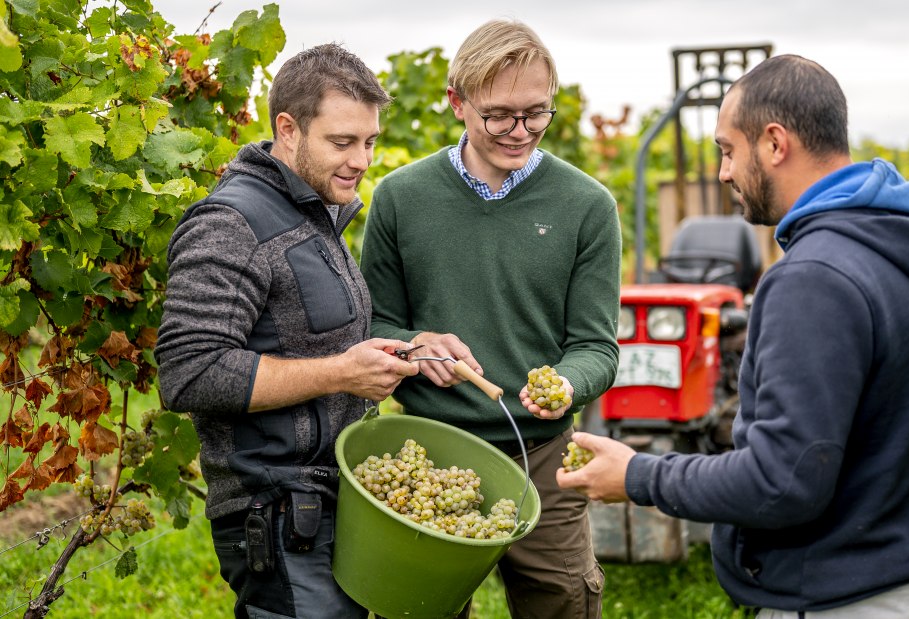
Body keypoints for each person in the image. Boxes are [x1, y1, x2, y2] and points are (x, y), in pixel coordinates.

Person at [558, 54, 909, 618]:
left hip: (843, 599)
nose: (724, 172)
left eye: (729, 150)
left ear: (775, 143)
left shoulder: (813, 278)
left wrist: (638, 474)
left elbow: (782, 480)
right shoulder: (904, 247)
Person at [360, 18, 621, 618]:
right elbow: (373, 323)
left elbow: (595, 347)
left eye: (536, 114)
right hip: (429, 451)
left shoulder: (587, 207)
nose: (519, 131)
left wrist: (567, 386)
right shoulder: (402, 197)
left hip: (545, 457)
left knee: (562, 601)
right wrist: (416, 348)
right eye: (498, 115)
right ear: (457, 101)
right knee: (421, 608)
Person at [154, 44, 419, 619]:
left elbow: (309, 340)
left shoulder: (313, 213)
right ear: (288, 128)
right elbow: (188, 372)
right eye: (342, 143)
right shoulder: (231, 224)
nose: (361, 160)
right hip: (274, 514)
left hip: (329, 505)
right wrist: (341, 373)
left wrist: (411, 348)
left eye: (369, 142)